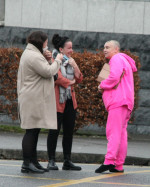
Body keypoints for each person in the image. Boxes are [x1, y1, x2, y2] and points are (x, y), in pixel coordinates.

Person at [17, 31, 63, 173]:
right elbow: (48, 72)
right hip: (33, 98)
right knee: (31, 131)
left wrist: (47, 58)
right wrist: (58, 60)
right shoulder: (33, 56)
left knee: (34, 130)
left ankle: (33, 162)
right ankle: (26, 163)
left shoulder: (33, 54)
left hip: (33, 97)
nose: (47, 44)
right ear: (40, 42)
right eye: (46, 42)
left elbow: (45, 69)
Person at [95, 40, 137, 173]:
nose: (104, 49)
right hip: (125, 102)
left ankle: (109, 161)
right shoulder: (123, 59)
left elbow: (113, 77)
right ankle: (118, 165)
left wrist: (101, 85)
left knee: (113, 132)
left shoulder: (116, 58)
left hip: (118, 101)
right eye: (104, 47)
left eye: (108, 47)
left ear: (116, 49)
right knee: (121, 133)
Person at [47, 34, 83, 171]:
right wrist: (71, 82)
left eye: (72, 48)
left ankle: (67, 160)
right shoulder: (53, 59)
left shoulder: (70, 61)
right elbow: (57, 78)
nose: (71, 50)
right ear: (61, 49)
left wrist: (75, 67)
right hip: (57, 101)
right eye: (69, 48)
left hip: (70, 101)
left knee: (68, 132)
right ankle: (51, 160)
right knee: (54, 131)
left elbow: (79, 79)